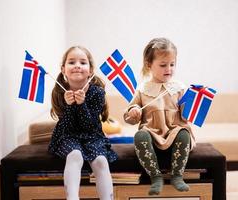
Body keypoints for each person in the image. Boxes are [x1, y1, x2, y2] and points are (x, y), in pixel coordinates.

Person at [124, 38, 195, 195]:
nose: (168, 69)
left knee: (184, 134)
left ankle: (177, 175)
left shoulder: (179, 88)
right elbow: (130, 113)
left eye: (172, 64)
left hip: (174, 130)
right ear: (149, 65)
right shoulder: (143, 89)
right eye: (163, 65)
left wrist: (189, 105)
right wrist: (134, 111)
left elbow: (186, 115)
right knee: (139, 136)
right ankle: (155, 176)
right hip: (152, 132)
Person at [48, 46, 118, 200]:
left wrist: (81, 104)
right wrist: (68, 106)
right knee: (75, 155)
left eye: (83, 62)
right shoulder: (59, 91)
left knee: (100, 160)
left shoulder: (97, 92)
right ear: (63, 69)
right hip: (67, 135)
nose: (77, 65)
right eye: (72, 62)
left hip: (92, 135)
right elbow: (66, 126)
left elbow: (90, 125)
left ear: (91, 70)